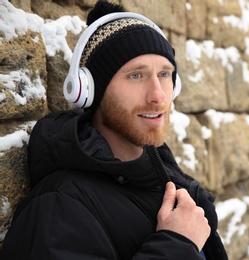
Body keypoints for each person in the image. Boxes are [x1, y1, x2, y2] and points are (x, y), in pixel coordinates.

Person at [0, 1, 228, 259]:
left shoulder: (162, 178)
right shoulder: (59, 206)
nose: (158, 96)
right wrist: (176, 245)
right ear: (89, 90)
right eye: (136, 75)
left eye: (164, 74)